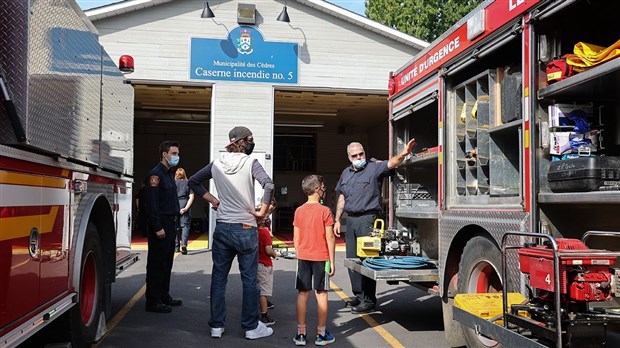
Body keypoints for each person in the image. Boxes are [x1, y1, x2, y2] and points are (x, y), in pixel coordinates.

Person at [189, 126, 275, 340]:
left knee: (219, 278)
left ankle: (216, 326)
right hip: (245, 227)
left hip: (223, 227)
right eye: (251, 139)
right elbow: (269, 184)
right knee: (249, 280)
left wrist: (213, 200)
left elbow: (193, 181)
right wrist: (262, 212)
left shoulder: (216, 164)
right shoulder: (250, 162)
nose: (252, 142)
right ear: (244, 141)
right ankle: (250, 326)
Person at [334, 139, 415, 313]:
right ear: (349, 158)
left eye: (361, 154)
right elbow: (342, 196)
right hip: (352, 220)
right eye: (354, 155)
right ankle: (359, 296)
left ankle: (369, 300)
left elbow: (392, 164)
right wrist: (337, 219)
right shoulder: (345, 173)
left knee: (367, 260)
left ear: (364, 152)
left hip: (369, 220)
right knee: (352, 261)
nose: (358, 157)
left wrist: (404, 153)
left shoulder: (373, 167)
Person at [292, 175, 336, 346]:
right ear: (318, 189)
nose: (324, 188)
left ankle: (301, 334)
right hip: (321, 257)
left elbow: (296, 238)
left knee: (303, 293)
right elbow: (330, 237)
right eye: (323, 186)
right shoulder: (325, 211)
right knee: (322, 293)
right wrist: (332, 261)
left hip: (303, 256)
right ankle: (321, 334)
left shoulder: (299, 211)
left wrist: (299, 252)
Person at [144, 141, 184, 313]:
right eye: (174, 153)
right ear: (164, 155)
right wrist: (157, 226)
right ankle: (153, 300)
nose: (177, 156)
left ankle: (163, 294)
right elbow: (151, 204)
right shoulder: (156, 175)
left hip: (171, 223)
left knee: (167, 262)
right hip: (161, 223)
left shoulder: (169, 174)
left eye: (177, 153)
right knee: (156, 263)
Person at [257, 216, 277, 327]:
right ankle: (264, 315)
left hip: (254, 264)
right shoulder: (265, 232)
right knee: (263, 292)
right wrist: (275, 254)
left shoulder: (253, 232)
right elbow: (268, 250)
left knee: (256, 288)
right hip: (264, 264)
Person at [174, 167, 194, 255]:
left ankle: (176, 247)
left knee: (175, 227)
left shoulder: (173, 183)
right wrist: (186, 207)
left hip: (175, 204)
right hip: (184, 203)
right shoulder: (188, 183)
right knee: (185, 226)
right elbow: (192, 197)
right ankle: (184, 245)